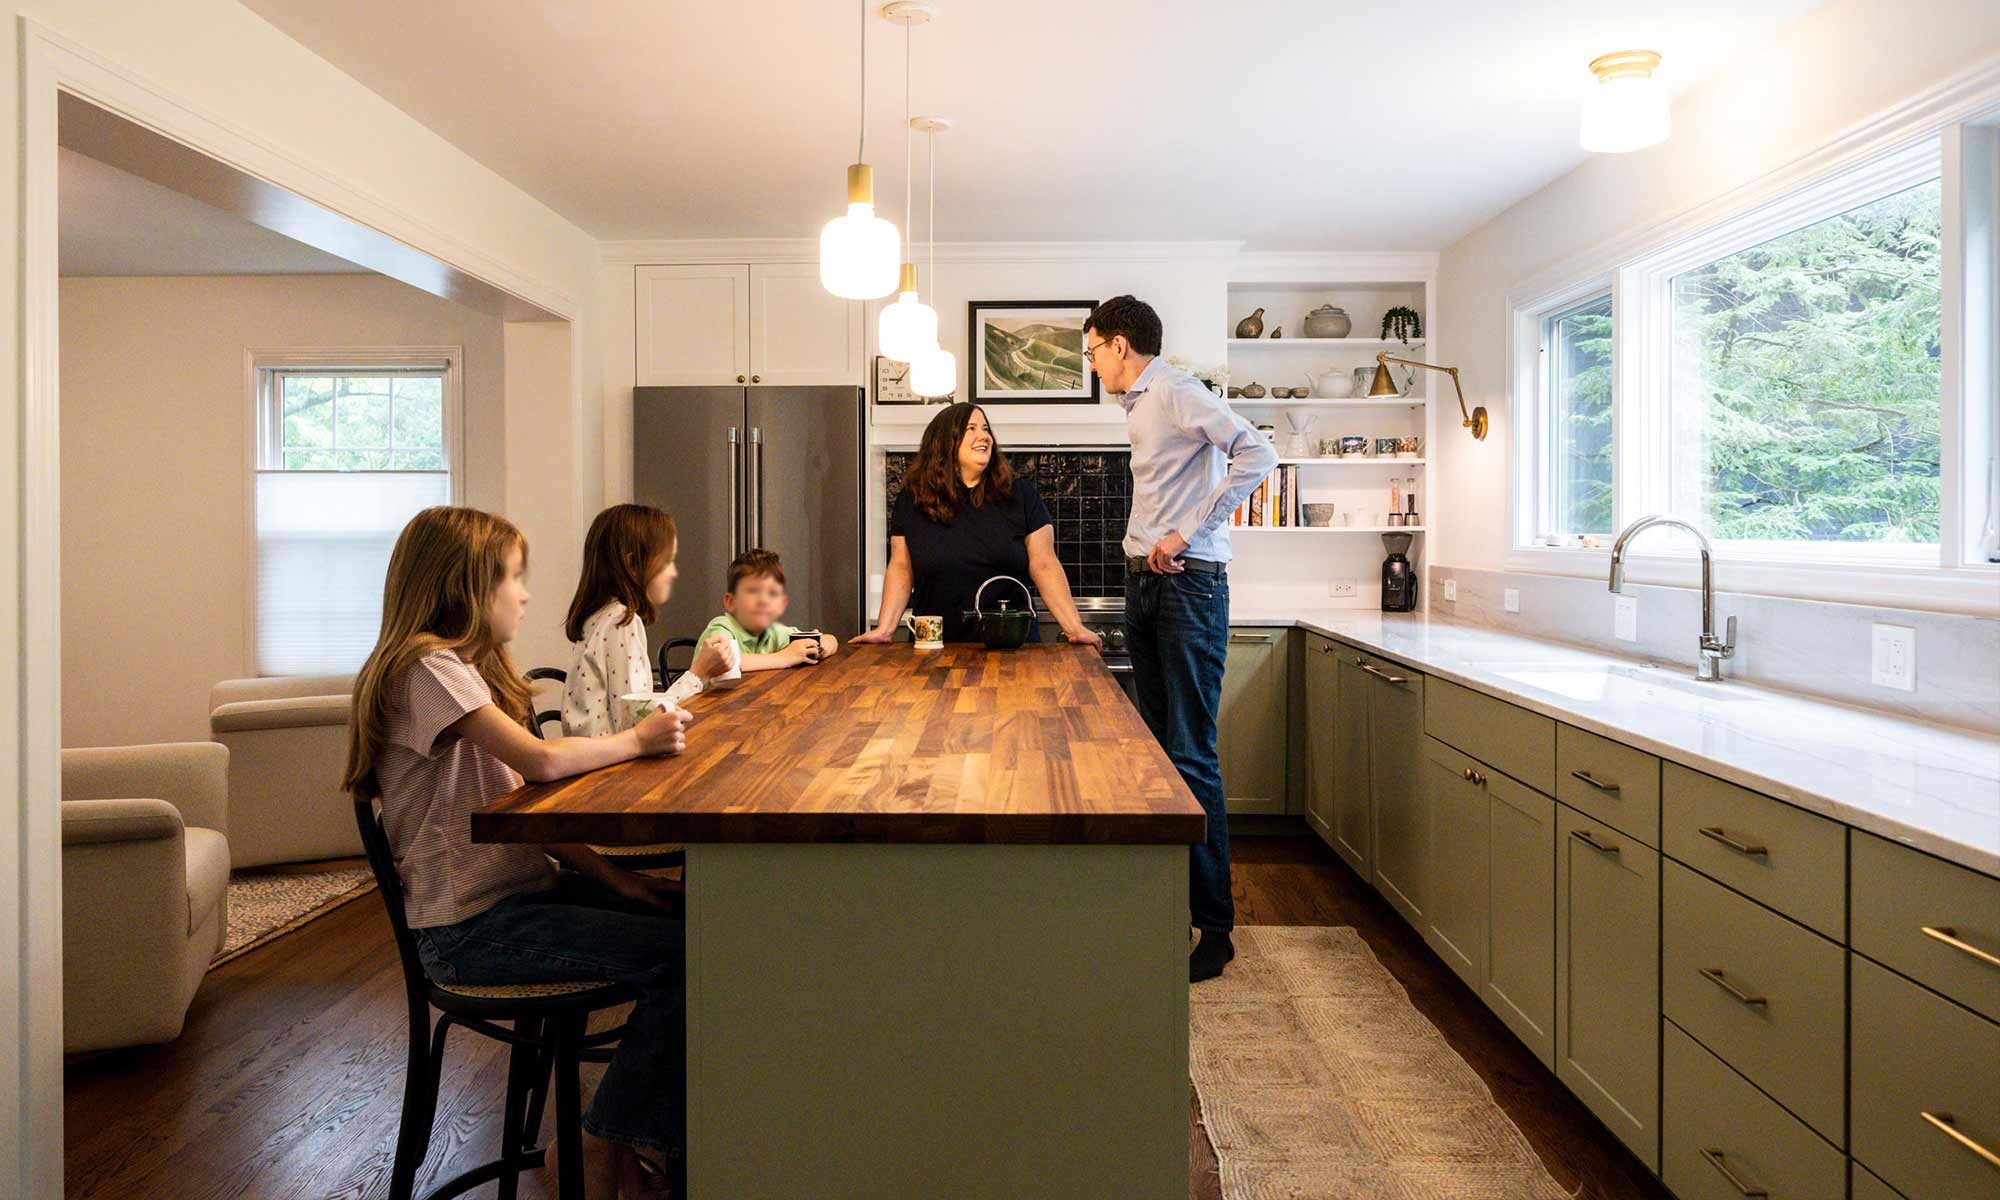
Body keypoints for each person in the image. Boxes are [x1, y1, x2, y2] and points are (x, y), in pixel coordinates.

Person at [341, 505, 689, 1198]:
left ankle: (637, 1143)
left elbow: (528, 811)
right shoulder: (427, 670)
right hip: (471, 929)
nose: (525, 592)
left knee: (701, 930)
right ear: (464, 586)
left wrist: (616, 881)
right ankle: (598, 1144)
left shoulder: (463, 670)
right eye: (512, 577)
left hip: (519, 898)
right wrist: (637, 742)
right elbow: (540, 763)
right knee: (686, 960)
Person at [1083, 295, 1279, 983]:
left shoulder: (1173, 390)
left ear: (1119, 345)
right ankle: (1176, 910)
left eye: (1094, 350)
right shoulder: (1141, 404)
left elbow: (1259, 453)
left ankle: (1216, 930)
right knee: (1163, 759)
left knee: (1191, 757)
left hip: (1188, 583)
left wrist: (1186, 531)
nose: (1092, 362)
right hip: (1150, 584)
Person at [853, 402, 1101, 648]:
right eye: (971, 428)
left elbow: (1045, 564)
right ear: (944, 441)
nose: (984, 436)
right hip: (935, 647)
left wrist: (1075, 627)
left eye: (985, 428)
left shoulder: (1022, 496)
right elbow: (901, 566)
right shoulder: (912, 499)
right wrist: (885, 629)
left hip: (1010, 646)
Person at [561, 503, 733, 736]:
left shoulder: (598, 616)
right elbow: (641, 724)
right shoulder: (621, 621)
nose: (674, 573)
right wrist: (699, 673)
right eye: (667, 561)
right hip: (611, 770)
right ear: (632, 565)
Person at [698, 548, 841, 672]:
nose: (764, 601)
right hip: (707, 703)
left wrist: (821, 645)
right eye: (752, 591)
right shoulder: (721, 628)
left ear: (782, 604)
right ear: (731, 602)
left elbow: (831, 640)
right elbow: (723, 662)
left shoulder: (774, 633)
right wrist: (786, 657)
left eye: (772, 593)